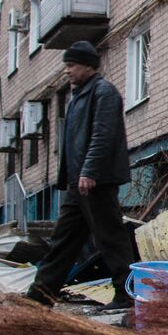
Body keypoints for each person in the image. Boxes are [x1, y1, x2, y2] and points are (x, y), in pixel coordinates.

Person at [25, 41, 134, 310]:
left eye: (71, 65)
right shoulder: (79, 96)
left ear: (88, 66)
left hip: (96, 180)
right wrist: (73, 176)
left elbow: (103, 135)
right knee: (63, 240)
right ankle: (40, 295)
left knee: (110, 238)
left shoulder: (104, 92)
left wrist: (90, 171)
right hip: (79, 182)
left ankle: (127, 295)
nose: (67, 71)